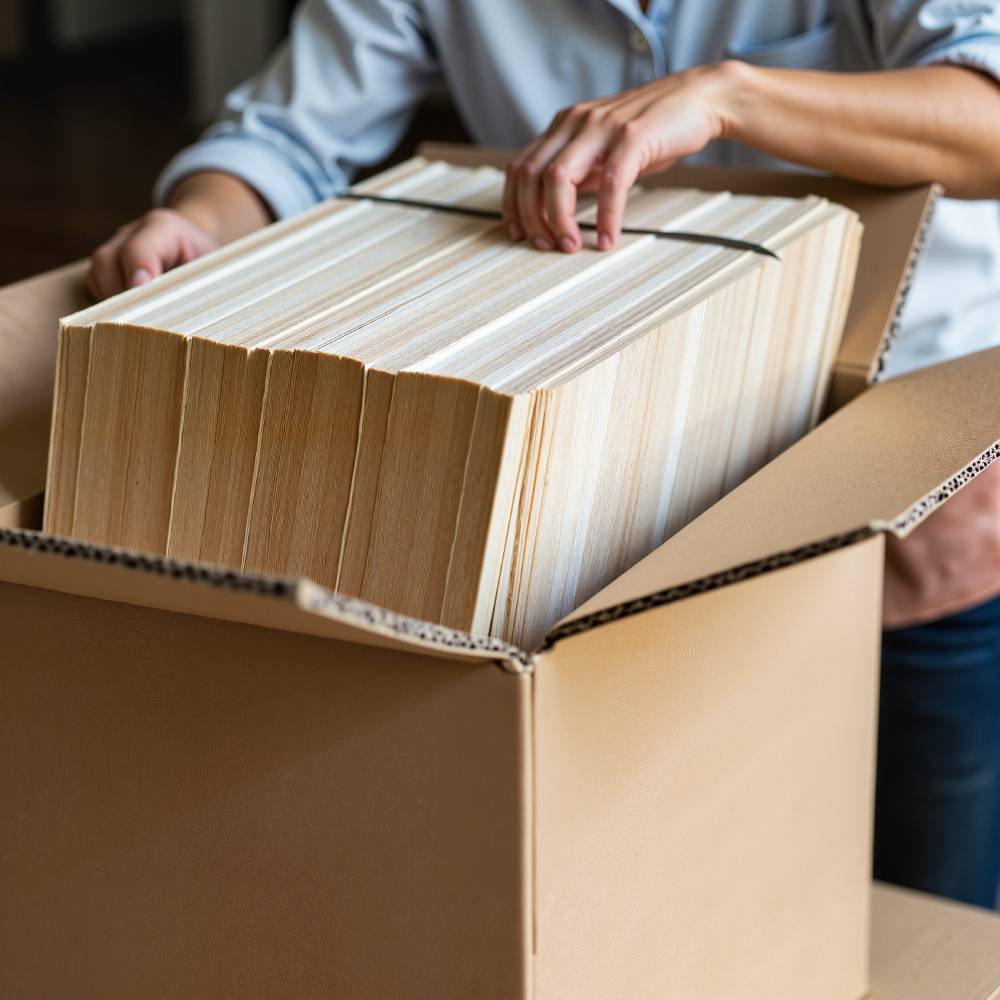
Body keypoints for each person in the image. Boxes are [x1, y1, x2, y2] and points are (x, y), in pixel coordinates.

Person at [88, 0, 1000, 908]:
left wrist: (734, 97)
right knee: (681, 865)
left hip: (896, 468)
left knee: (931, 873)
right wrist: (201, 222)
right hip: (606, 486)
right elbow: (288, 135)